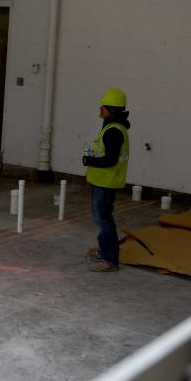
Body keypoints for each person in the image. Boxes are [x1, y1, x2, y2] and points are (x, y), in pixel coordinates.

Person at [82, 88, 131, 273]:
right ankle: (104, 252)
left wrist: (89, 160)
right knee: (102, 218)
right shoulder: (114, 127)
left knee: (104, 220)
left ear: (111, 109)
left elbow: (110, 159)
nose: (99, 110)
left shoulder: (113, 131)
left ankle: (110, 260)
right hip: (104, 182)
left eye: (102, 107)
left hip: (106, 183)